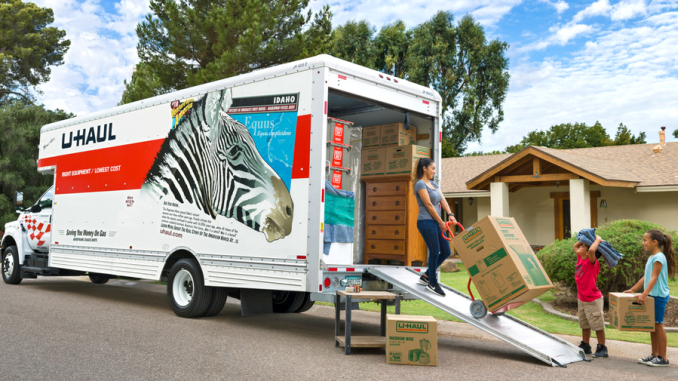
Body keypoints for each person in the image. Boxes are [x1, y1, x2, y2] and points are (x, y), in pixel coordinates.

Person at [624, 229, 676, 367]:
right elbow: (646, 277)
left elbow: (654, 277)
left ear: (654, 242)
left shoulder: (659, 257)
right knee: (652, 326)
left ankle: (663, 358)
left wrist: (644, 294)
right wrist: (633, 289)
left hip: (658, 296)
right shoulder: (652, 257)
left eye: (645, 240)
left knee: (658, 325)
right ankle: (654, 355)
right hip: (653, 295)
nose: (643, 243)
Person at [414, 158, 456, 296]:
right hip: (426, 222)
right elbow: (428, 205)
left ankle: (426, 276)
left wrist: (449, 214)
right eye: (432, 168)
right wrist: (440, 222)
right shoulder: (420, 184)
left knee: (446, 251)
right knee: (434, 251)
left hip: (436, 222)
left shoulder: (433, 183)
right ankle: (432, 282)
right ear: (424, 168)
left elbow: (442, 199)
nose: (434, 171)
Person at [573, 236, 608, 358]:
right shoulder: (580, 258)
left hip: (593, 299)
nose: (580, 246)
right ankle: (585, 345)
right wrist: (585, 238)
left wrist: (596, 240)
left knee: (597, 325)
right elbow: (575, 246)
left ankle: (602, 347)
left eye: (584, 246)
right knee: (585, 324)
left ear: (588, 253)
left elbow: (592, 251)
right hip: (582, 298)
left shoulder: (591, 262)